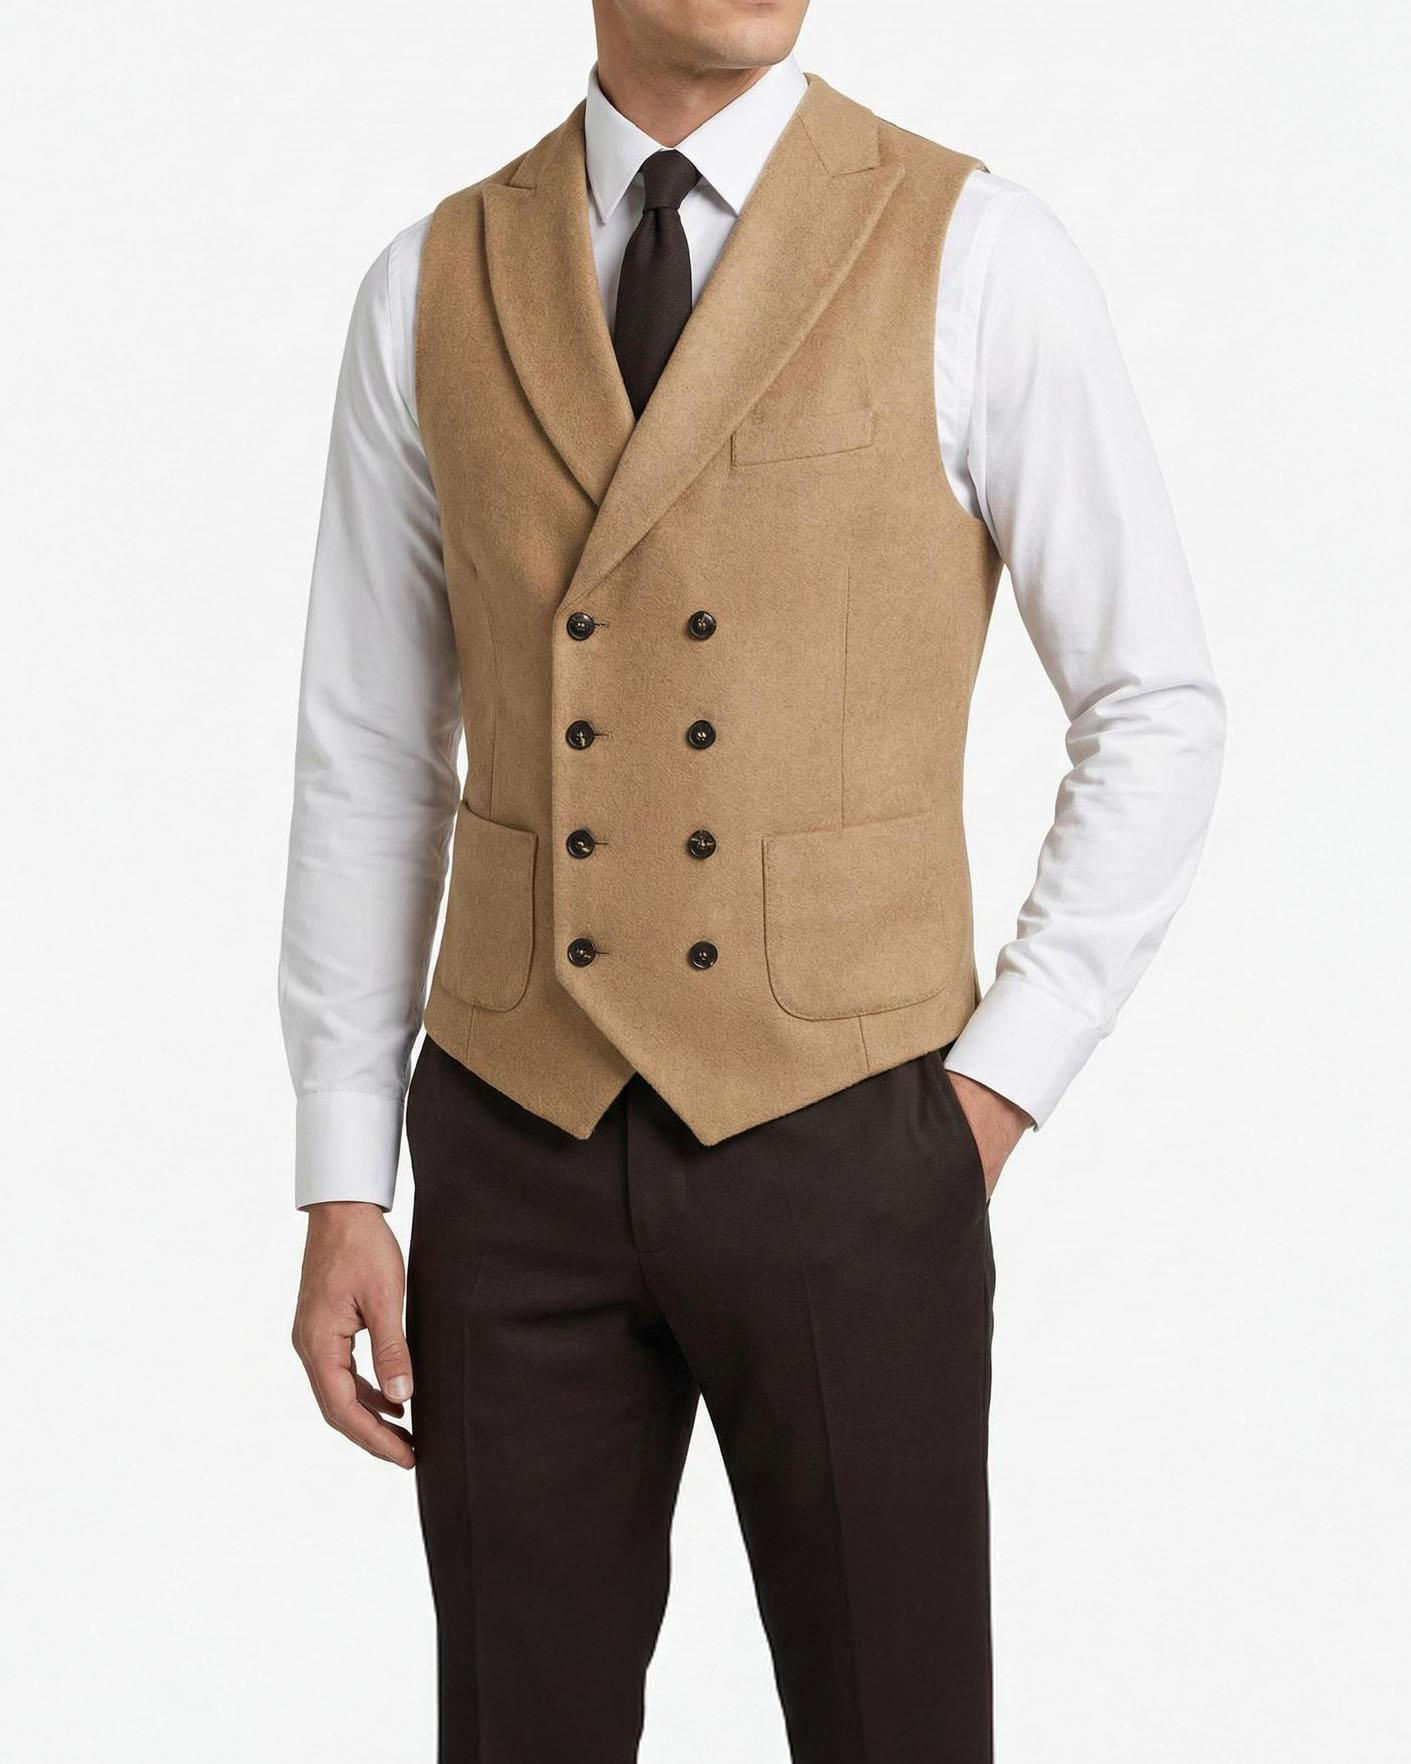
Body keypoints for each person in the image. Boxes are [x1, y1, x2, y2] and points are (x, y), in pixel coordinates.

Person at [279, 1, 1225, 1755]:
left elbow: (1156, 707)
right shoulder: (427, 283)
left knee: (895, 1727)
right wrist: (345, 1174)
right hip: (512, 1144)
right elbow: (368, 749)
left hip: (849, 1136)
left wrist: (988, 1097)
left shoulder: (974, 247)